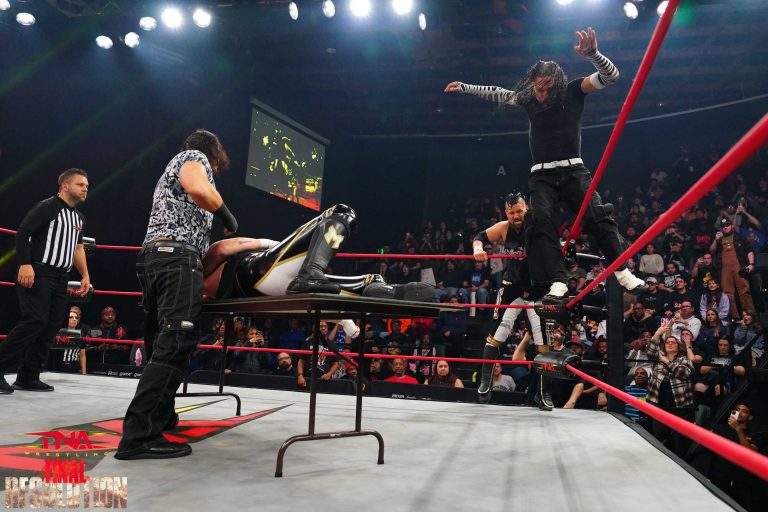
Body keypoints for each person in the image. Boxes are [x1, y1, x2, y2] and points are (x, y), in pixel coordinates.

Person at [445, 27, 647, 303]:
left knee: (597, 215)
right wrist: (467, 87)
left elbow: (611, 76)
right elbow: (499, 93)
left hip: (574, 170)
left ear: (557, 84)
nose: (541, 93)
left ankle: (622, 272)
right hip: (542, 175)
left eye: (547, 88)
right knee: (539, 222)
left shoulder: (574, 90)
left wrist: (593, 55)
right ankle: (558, 281)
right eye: (537, 87)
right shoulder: (530, 97)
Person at [116, 129, 238, 460]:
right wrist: (227, 215)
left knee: (159, 340)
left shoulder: (173, 170)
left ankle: (161, 415)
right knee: (176, 341)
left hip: (157, 257)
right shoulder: (193, 158)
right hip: (175, 257)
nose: (215, 170)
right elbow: (199, 188)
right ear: (213, 153)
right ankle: (139, 435)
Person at [200, 203, 433, 302]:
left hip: (270, 290)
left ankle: (380, 287)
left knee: (365, 283)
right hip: (260, 272)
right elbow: (224, 247)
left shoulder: (197, 287)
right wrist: (273, 244)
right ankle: (311, 272)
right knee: (341, 213)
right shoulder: (199, 267)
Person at [0, 169, 91, 394]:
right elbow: (22, 233)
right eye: (80, 184)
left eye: (87, 186)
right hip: (39, 272)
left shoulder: (79, 217)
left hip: (61, 277)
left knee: (51, 326)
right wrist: (25, 264)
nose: (85, 188)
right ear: (65, 186)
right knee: (34, 320)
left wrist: (85, 275)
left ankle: (28, 376)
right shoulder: (47, 207)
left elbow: (78, 248)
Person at [471, 192, 543, 403]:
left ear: (526, 209)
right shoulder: (504, 227)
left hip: (536, 287)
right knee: (497, 332)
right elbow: (480, 236)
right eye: (512, 213)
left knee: (543, 339)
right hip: (511, 286)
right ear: (506, 213)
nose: (516, 216)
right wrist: (478, 248)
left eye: (519, 211)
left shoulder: (536, 225)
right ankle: (485, 383)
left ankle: (543, 392)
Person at [709, 218, 755, 319]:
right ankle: (734, 318)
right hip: (724, 270)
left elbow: (749, 250)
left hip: (739, 268)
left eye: (727, 225)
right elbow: (711, 251)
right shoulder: (719, 240)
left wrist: (751, 264)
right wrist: (715, 240)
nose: (725, 227)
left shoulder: (740, 237)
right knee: (727, 294)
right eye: (723, 226)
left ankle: (750, 317)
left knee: (744, 291)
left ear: (732, 226)